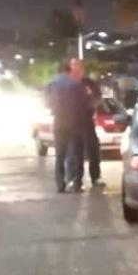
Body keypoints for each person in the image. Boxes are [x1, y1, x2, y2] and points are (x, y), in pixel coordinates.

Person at [46, 58, 87, 193]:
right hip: (75, 122)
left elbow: (47, 103)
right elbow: (84, 104)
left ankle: (60, 184)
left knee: (60, 155)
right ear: (69, 70)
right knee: (77, 153)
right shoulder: (76, 84)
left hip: (58, 123)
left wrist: (55, 110)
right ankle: (77, 183)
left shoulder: (51, 84)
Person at [81, 76, 105, 187]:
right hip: (71, 121)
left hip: (87, 120)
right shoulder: (69, 83)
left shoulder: (88, 83)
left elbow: (98, 97)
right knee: (74, 151)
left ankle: (95, 177)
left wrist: (92, 105)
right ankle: (75, 179)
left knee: (93, 149)